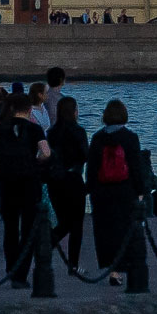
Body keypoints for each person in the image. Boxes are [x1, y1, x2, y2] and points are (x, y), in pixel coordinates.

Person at [0, 90, 50, 287]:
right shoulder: (35, 129)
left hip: (6, 180)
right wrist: (34, 159)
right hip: (29, 181)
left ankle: (10, 268)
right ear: (28, 110)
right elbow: (46, 152)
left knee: (10, 228)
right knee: (27, 229)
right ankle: (21, 274)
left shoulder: (0, 127)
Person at [85, 99, 141, 286]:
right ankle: (124, 267)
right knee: (125, 229)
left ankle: (112, 269)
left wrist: (90, 188)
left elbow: (91, 167)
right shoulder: (130, 138)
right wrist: (140, 191)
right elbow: (136, 167)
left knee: (105, 231)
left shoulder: (97, 138)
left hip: (101, 191)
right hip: (125, 190)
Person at [44, 96, 89, 268]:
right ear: (74, 112)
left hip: (55, 180)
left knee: (64, 221)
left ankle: (46, 245)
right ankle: (73, 263)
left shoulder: (51, 132)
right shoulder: (78, 131)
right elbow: (85, 154)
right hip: (74, 178)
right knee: (76, 224)